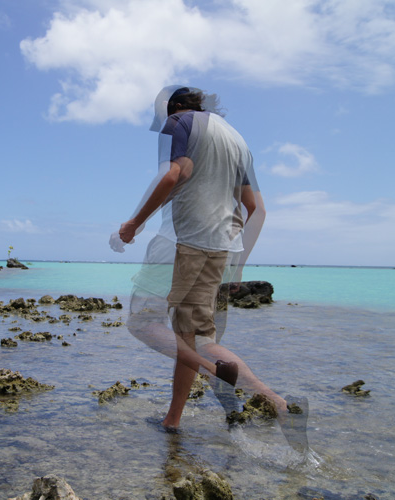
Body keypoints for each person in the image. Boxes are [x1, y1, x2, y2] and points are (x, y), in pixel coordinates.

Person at [112, 86, 308, 451]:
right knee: (193, 337)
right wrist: (237, 267)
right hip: (222, 248)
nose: (166, 124)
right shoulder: (237, 140)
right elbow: (255, 207)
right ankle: (276, 407)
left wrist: (133, 224)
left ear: (175, 109)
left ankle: (218, 373)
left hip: (185, 243)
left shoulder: (179, 123)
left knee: (143, 324)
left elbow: (175, 174)